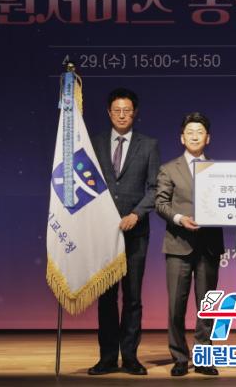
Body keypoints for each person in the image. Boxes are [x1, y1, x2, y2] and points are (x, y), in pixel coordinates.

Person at [88, 88, 160, 376]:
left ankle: (130, 357)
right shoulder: (93, 143)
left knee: (132, 297)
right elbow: (87, 186)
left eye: (127, 111)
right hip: (103, 234)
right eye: (116, 110)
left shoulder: (149, 145)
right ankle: (107, 358)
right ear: (109, 112)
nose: (121, 115)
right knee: (106, 298)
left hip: (135, 232)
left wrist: (136, 214)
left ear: (135, 113)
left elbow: (154, 189)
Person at [155, 112, 224, 377]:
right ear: (182, 138)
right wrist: (179, 218)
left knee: (208, 306)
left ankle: (204, 356)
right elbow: (161, 203)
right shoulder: (169, 168)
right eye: (190, 132)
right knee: (176, 306)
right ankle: (180, 357)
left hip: (209, 245)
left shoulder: (219, 170)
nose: (195, 136)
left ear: (208, 138)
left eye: (200, 132)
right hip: (178, 244)